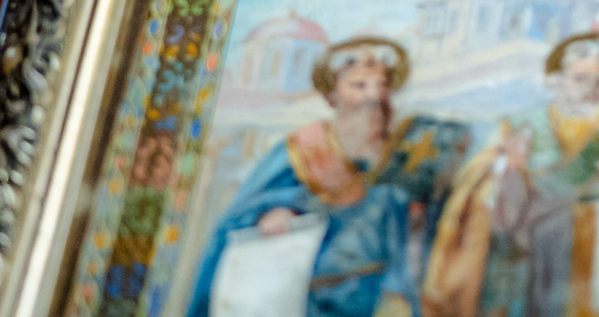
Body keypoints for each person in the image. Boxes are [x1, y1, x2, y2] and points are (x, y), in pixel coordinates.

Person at [186, 36, 469, 317]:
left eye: (381, 86)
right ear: (333, 96)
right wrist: (275, 211)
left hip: (376, 291)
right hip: (309, 293)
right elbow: (242, 213)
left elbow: (414, 226)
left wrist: (420, 210)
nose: (374, 97)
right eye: (358, 86)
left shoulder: (403, 151)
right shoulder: (305, 148)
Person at [423, 31, 599, 317]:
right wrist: (508, 169)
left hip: (598, 240)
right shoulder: (521, 124)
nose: (590, 89)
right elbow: (479, 179)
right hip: (526, 240)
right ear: (556, 80)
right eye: (580, 79)